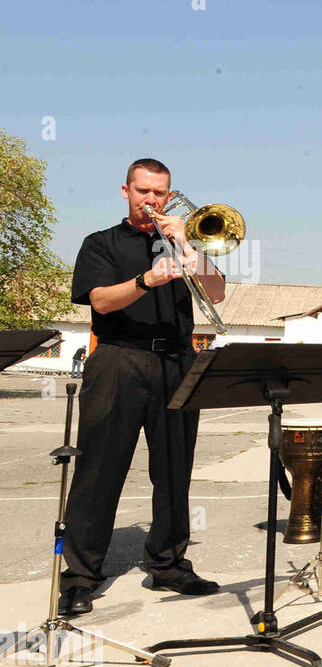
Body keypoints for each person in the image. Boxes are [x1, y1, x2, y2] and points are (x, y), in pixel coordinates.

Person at [58, 158, 226, 617]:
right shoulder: (101, 243)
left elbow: (217, 293)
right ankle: (79, 577)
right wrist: (145, 280)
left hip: (177, 358)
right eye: (142, 192)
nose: (151, 201)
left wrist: (186, 244)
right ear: (125, 191)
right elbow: (100, 300)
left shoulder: (179, 240)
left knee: (175, 469)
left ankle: (169, 564)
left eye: (159, 194)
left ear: (169, 196)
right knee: (99, 470)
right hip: (118, 358)